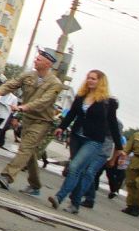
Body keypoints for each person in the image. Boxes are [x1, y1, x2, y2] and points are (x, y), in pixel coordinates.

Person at [49, 69, 120, 214]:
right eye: (88, 78)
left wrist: (119, 147)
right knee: (78, 172)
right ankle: (75, 204)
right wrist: (61, 127)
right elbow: (72, 114)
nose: (90, 80)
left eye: (93, 78)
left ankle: (59, 197)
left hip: (94, 140)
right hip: (77, 136)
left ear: (101, 81)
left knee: (74, 167)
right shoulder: (81, 96)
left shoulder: (108, 102)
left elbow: (112, 124)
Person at [0, 48, 67, 196]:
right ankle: (35, 185)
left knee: (25, 148)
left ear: (48, 64)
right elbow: (12, 84)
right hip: (27, 118)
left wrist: (23, 107)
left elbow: (44, 101)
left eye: (39, 59)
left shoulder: (55, 83)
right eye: (36, 58)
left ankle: (7, 176)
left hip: (41, 121)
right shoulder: (29, 75)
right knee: (29, 153)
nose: (35, 60)